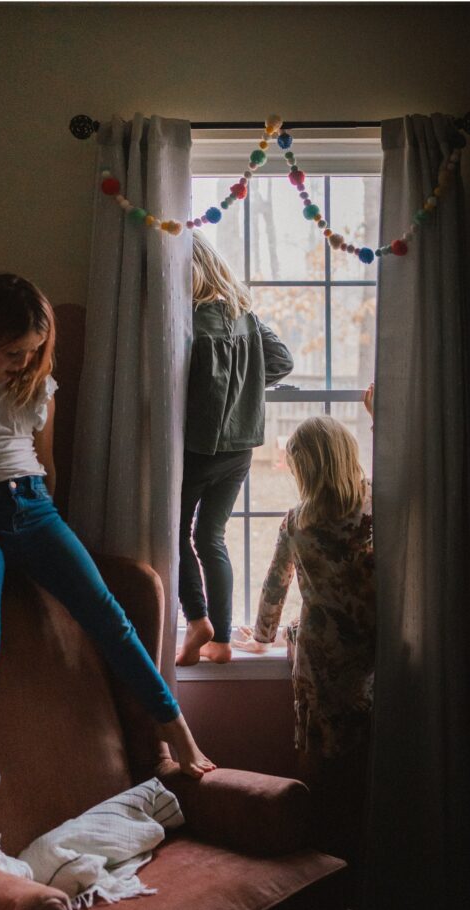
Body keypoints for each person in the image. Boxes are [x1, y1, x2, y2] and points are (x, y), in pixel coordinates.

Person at [0, 273, 215, 865]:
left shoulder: (36, 388)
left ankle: (173, 727)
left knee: (107, 612)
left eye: (30, 353)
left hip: (33, 508)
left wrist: (54, 548)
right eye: (11, 352)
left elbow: (48, 470)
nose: (21, 363)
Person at [236, 400, 375, 863]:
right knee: (369, 757)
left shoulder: (298, 522)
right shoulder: (377, 507)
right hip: (373, 648)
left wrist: (260, 635)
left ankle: (320, 850)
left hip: (321, 656)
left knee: (319, 754)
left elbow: (275, 588)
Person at [176, 231, 293, 666]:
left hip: (199, 448)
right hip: (240, 449)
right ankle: (221, 641)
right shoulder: (245, 316)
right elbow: (282, 361)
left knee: (177, 531)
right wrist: (247, 392)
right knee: (211, 536)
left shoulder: (187, 321)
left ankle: (196, 620)